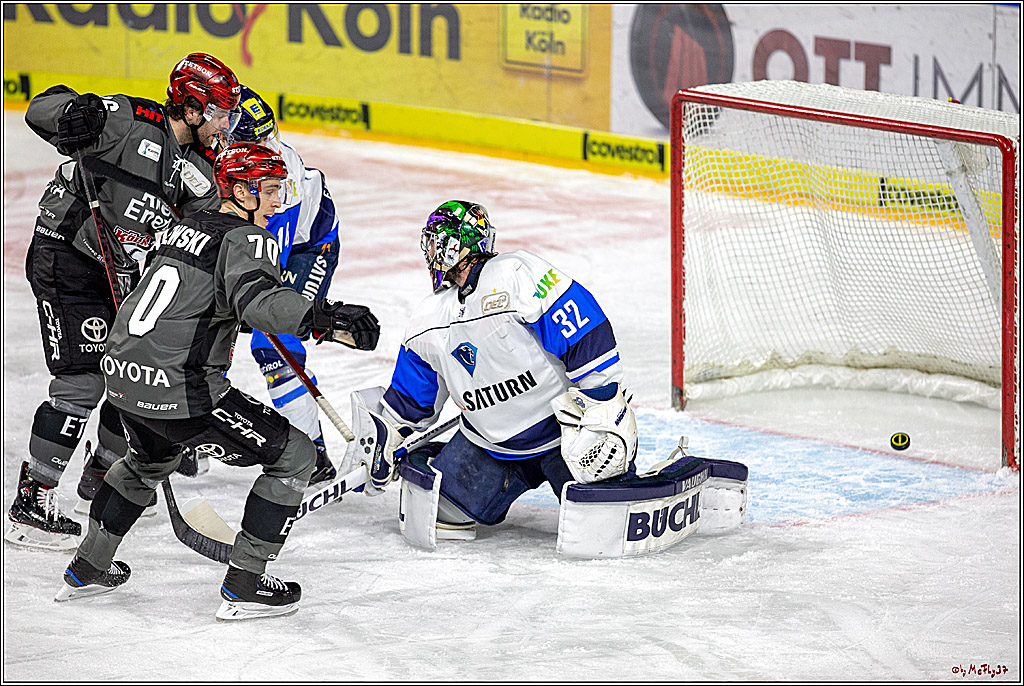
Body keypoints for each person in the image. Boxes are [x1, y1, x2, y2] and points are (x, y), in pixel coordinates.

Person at [53, 143, 381, 620]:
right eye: (270, 190)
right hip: (180, 387)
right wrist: (326, 317)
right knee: (296, 456)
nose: (278, 201)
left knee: (145, 463)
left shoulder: (184, 226)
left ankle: (87, 567)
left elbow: (198, 301)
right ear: (241, 191)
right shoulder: (248, 238)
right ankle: (245, 584)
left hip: (122, 377)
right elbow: (260, 303)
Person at [7, 53, 243, 551]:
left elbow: (203, 239)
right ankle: (33, 502)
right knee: (83, 380)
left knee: (132, 378)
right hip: (68, 258)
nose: (226, 124)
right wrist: (74, 114)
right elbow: (41, 109)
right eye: (220, 113)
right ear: (193, 109)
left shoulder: (204, 171)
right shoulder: (130, 120)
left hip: (126, 276)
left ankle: (101, 479)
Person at [345, 200, 639, 542]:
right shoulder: (428, 318)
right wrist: (383, 441)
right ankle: (442, 461)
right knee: (437, 513)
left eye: (435, 241)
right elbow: (409, 401)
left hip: (564, 437)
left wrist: (601, 405)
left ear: (455, 244)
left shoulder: (516, 274)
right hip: (488, 448)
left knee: (605, 528)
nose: (430, 252)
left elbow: (585, 333)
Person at [223, 86, 342, 485]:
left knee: (273, 343)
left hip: (310, 250)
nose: (266, 149)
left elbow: (267, 263)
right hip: (261, 242)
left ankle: (312, 454)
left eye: (266, 138)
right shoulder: (219, 160)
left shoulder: (279, 183)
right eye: (253, 142)